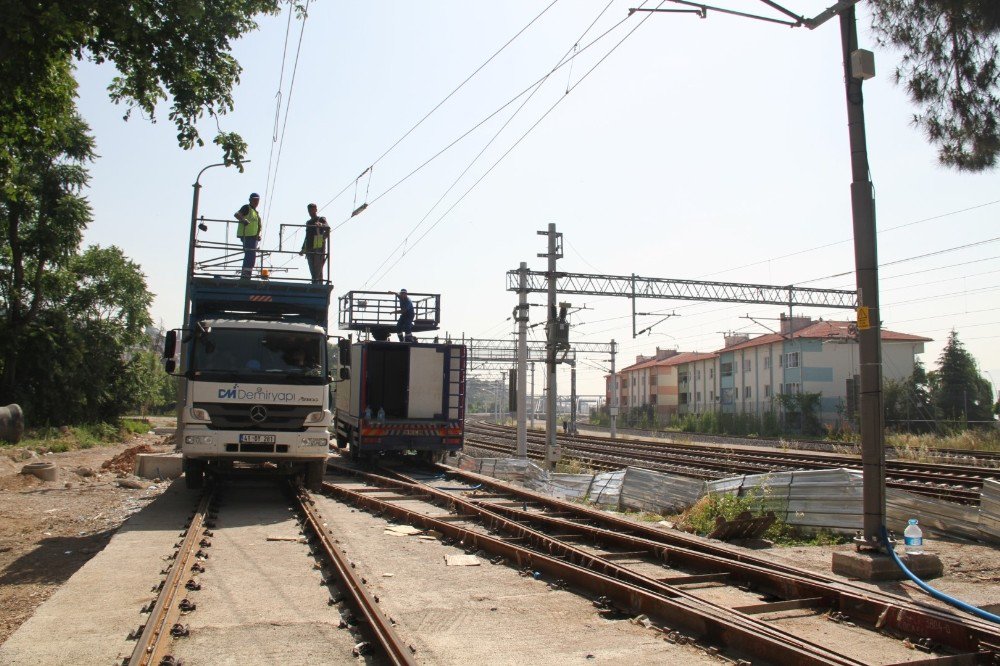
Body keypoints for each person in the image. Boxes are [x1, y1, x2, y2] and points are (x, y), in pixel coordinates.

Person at [298, 203, 330, 284]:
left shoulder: (321, 219)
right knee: (312, 270)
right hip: (309, 247)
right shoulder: (308, 222)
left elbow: (327, 227)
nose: (311, 212)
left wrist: (321, 225)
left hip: (318, 245)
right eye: (309, 210)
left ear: (316, 209)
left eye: (312, 210)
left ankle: (319, 285)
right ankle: (315, 284)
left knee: (318, 268)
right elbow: (307, 236)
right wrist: (303, 248)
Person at [234, 192, 262, 279]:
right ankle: (245, 275)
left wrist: (258, 235)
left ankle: (247, 274)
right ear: (250, 200)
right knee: (250, 255)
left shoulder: (255, 212)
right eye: (254, 200)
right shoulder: (247, 207)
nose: (256, 202)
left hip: (253, 237)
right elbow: (237, 214)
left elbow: (256, 225)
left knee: (251, 256)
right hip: (247, 236)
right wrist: (243, 220)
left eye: (257, 200)